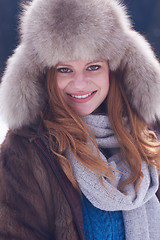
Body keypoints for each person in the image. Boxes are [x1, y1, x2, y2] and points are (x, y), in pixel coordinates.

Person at [0, 0, 160, 239]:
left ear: (113, 69)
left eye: (93, 66)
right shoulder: (26, 150)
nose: (80, 83)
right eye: (65, 69)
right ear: (45, 74)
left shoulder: (148, 138)